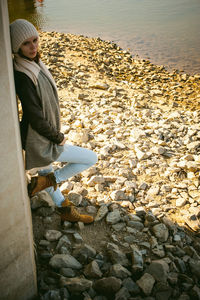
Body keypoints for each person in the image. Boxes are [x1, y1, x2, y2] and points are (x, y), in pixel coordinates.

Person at [10, 19, 98, 224]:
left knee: (45, 172)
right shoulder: (23, 75)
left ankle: (64, 209)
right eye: (26, 43)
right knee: (90, 158)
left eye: (35, 40)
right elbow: (34, 114)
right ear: (17, 47)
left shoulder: (34, 64)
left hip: (39, 134)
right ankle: (47, 182)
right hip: (38, 137)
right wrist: (57, 137)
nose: (33, 46)